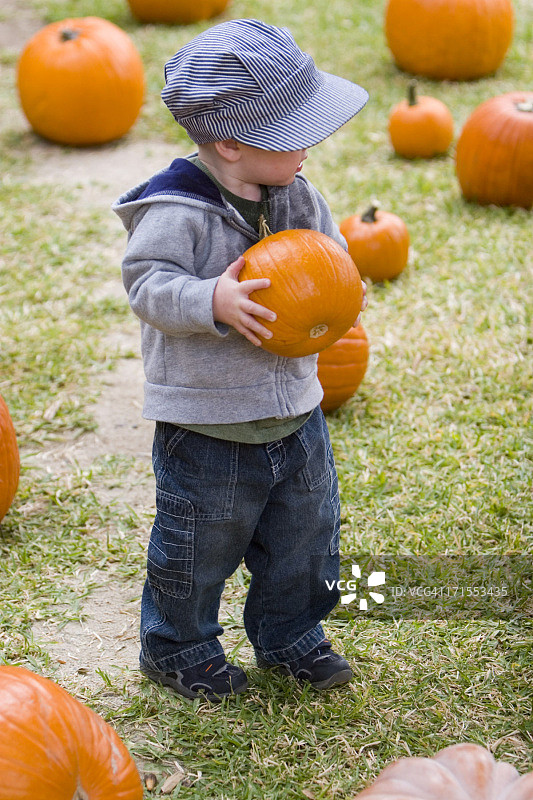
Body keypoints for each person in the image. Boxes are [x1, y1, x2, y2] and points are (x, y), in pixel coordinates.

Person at [113, 18, 368, 701]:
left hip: (295, 410)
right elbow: (147, 284)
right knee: (197, 550)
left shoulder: (294, 192)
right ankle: (178, 645)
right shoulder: (177, 209)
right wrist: (211, 300)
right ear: (230, 144)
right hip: (209, 428)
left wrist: (341, 283)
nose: (308, 145)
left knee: (306, 542)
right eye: (295, 134)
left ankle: (290, 633)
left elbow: (327, 252)